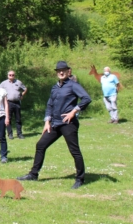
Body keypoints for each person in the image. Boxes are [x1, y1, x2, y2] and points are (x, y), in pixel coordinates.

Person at [17, 61, 91, 189]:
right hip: (55, 124)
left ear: (68, 71)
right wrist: (47, 121)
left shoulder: (73, 85)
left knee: (74, 151)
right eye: (58, 71)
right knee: (40, 145)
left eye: (63, 70)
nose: (61, 72)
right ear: (56, 72)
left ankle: (80, 179)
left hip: (68, 124)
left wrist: (73, 111)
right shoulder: (55, 87)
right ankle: (33, 174)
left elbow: (86, 98)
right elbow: (50, 104)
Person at [0, 70, 27, 139]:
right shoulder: (4, 83)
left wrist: (22, 95)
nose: (11, 76)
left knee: (18, 119)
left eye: (13, 75)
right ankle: (10, 134)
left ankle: (19, 134)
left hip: (17, 102)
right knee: (9, 118)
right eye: (10, 75)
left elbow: (25, 89)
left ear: (14, 75)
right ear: (7, 75)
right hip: (8, 103)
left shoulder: (18, 82)